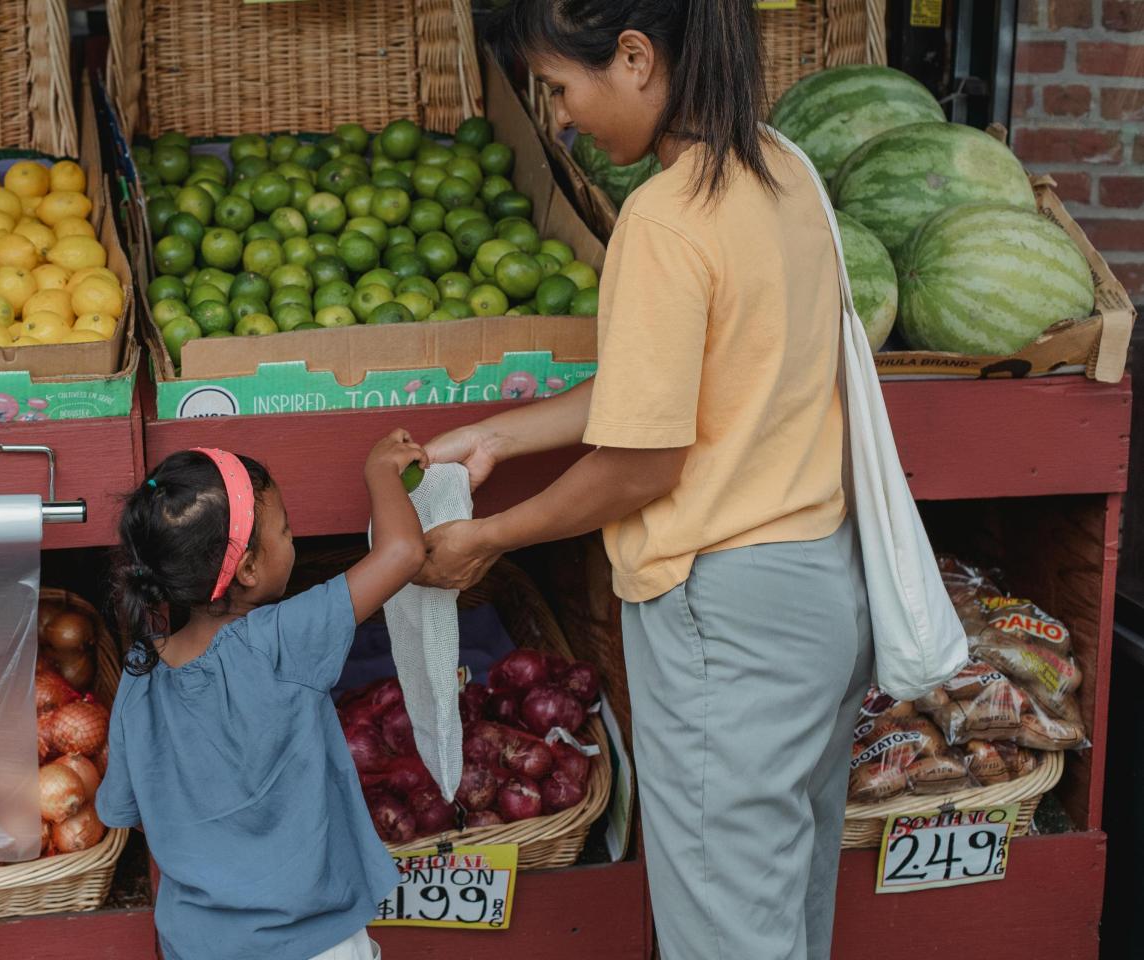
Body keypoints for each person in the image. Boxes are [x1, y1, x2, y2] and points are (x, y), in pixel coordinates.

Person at [416, 2, 874, 958]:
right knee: (782, 916)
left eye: (558, 86)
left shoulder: (665, 218)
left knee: (724, 938)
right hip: (821, 595)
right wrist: (503, 431)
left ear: (633, 57)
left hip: (728, 615)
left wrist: (492, 538)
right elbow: (676, 387)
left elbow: (642, 462)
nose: (562, 118)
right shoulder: (784, 173)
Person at [97, 432, 428, 960]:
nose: (294, 540)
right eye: (287, 530)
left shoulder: (141, 676)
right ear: (248, 568)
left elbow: (128, 810)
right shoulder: (283, 639)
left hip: (197, 943)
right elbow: (404, 552)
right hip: (311, 939)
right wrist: (380, 471)